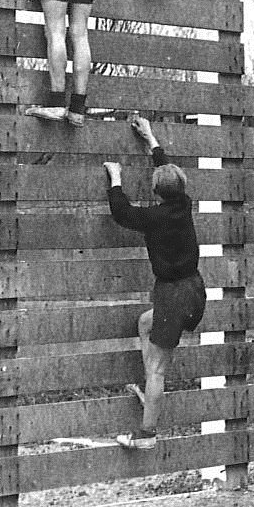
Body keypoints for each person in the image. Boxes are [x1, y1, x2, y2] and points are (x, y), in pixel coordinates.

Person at [104, 115, 206, 450]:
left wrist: (115, 179)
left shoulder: (153, 218)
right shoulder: (184, 204)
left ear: (155, 191)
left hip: (173, 295)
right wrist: (150, 138)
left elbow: (122, 213)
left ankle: (147, 435)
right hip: (194, 290)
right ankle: (151, 393)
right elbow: (167, 170)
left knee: (159, 369)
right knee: (145, 323)